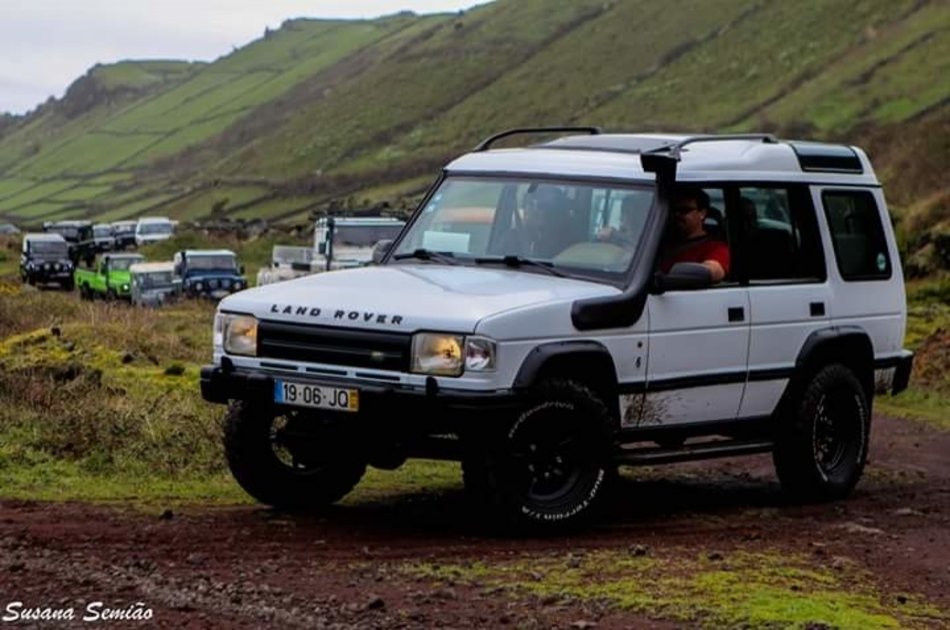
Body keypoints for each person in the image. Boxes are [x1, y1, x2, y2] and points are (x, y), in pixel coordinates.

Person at [659, 188, 730, 282]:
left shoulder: (716, 248)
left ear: (702, 213)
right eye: (673, 210)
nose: (676, 215)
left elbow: (714, 270)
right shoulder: (656, 242)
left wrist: (687, 273)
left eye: (684, 210)